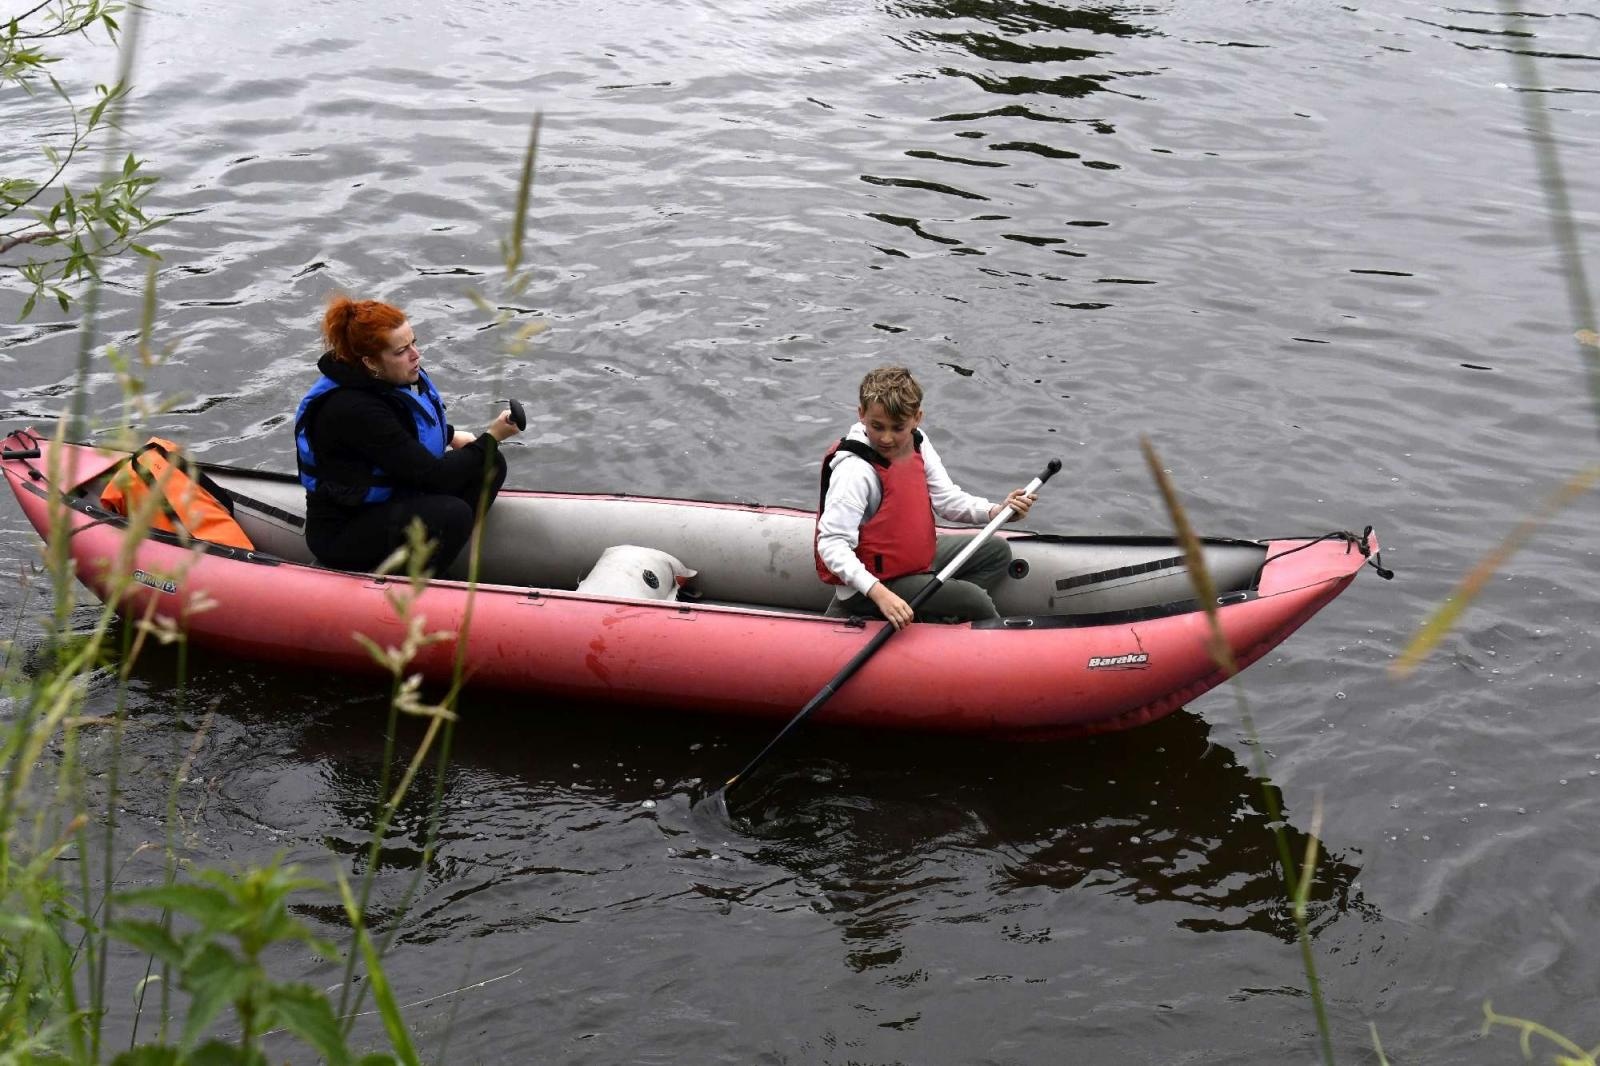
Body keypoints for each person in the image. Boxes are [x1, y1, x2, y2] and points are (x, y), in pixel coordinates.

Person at [294, 294, 521, 573]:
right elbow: (433, 476)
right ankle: (416, 587)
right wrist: (491, 437)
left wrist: (449, 435)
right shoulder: (352, 409)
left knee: (490, 465)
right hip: (345, 530)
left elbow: (400, 429)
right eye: (401, 351)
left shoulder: (382, 379)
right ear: (370, 362)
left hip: (392, 497)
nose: (415, 355)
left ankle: (439, 557)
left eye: (413, 343)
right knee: (453, 514)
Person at [813, 365, 1036, 628]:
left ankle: (934, 620)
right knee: (975, 600)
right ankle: (986, 645)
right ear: (861, 415)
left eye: (898, 428)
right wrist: (880, 593)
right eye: (877, 426)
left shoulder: (917, 441)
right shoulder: (854, 471)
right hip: (873, 585)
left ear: (917, 418)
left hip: (914, 561)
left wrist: (996, 512)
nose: (886, 438)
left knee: (995, 551)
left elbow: (946, 499)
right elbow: (831, 545)